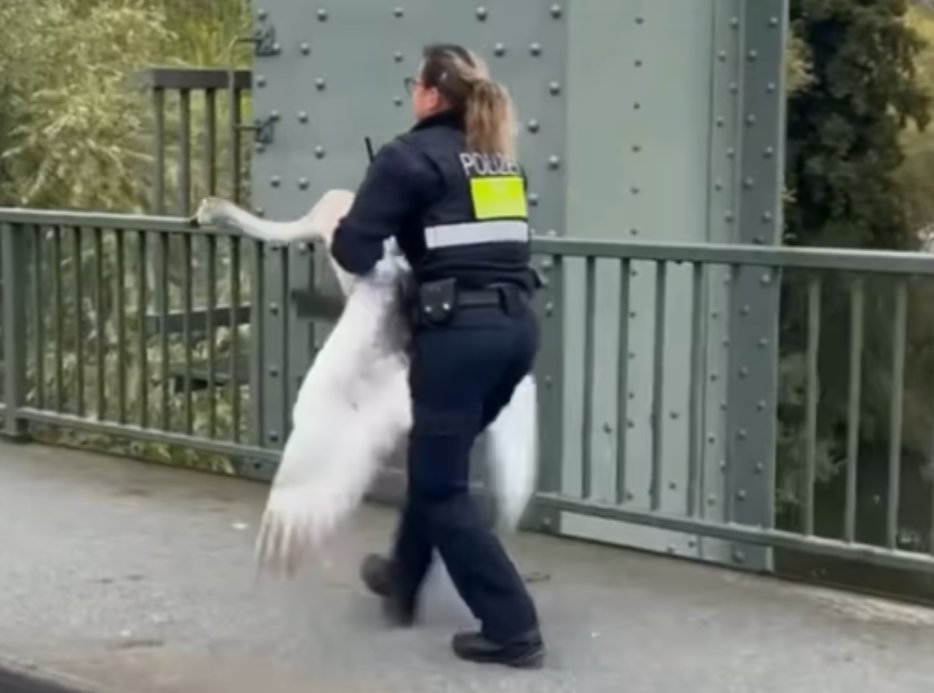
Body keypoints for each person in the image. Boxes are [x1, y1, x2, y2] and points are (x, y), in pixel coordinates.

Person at [329, 43, 545, 669]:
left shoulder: (406, 157)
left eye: (413, 84)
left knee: (439, 485)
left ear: (428, 94)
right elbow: (488, 247)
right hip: (514, 333)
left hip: (459, 340)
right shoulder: (499, 163)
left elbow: (354, 251)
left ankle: (512, 626)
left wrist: (364, 225)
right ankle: (402, 577)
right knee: (437, 463)